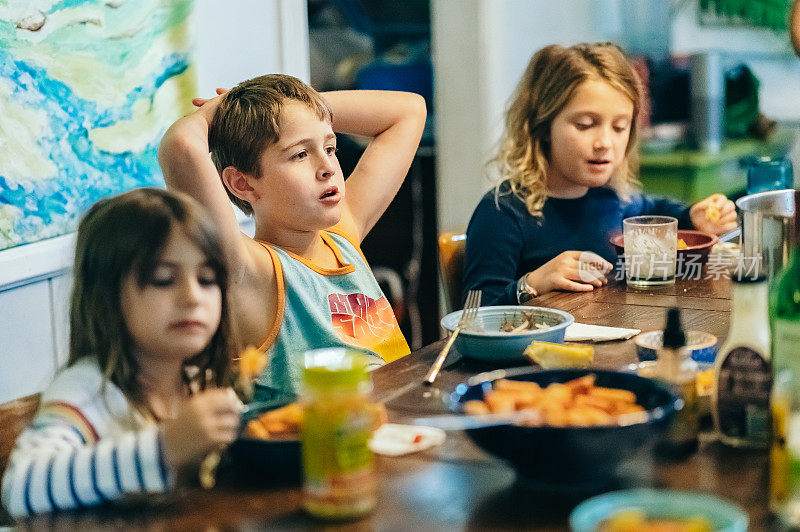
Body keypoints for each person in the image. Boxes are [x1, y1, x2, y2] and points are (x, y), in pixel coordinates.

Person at [157, 75, 426, 400]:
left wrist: (288, 107)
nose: (327, 167)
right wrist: (216, 112)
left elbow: (410, 110)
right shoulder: (250, 271)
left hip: (403, 430)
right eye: (300, 155)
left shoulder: (341, 235)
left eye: (330, 147)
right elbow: (181, 147)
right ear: (243, 184)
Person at [1, 188, 243, 517]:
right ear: (108, 296)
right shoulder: (88, 390)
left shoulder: (199, 382)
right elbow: (22, 487)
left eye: (207, 278)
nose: (192, 297)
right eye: (163, 279)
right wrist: (164, 449)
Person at [463, 42, 738, 306]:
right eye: (585, 125)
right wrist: (530, 283)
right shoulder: (503, 212)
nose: (604, 142)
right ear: (544, 126)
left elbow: (659, 213)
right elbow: (470, 321)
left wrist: (694, 219)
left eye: (619, 127)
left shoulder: (617, 201)